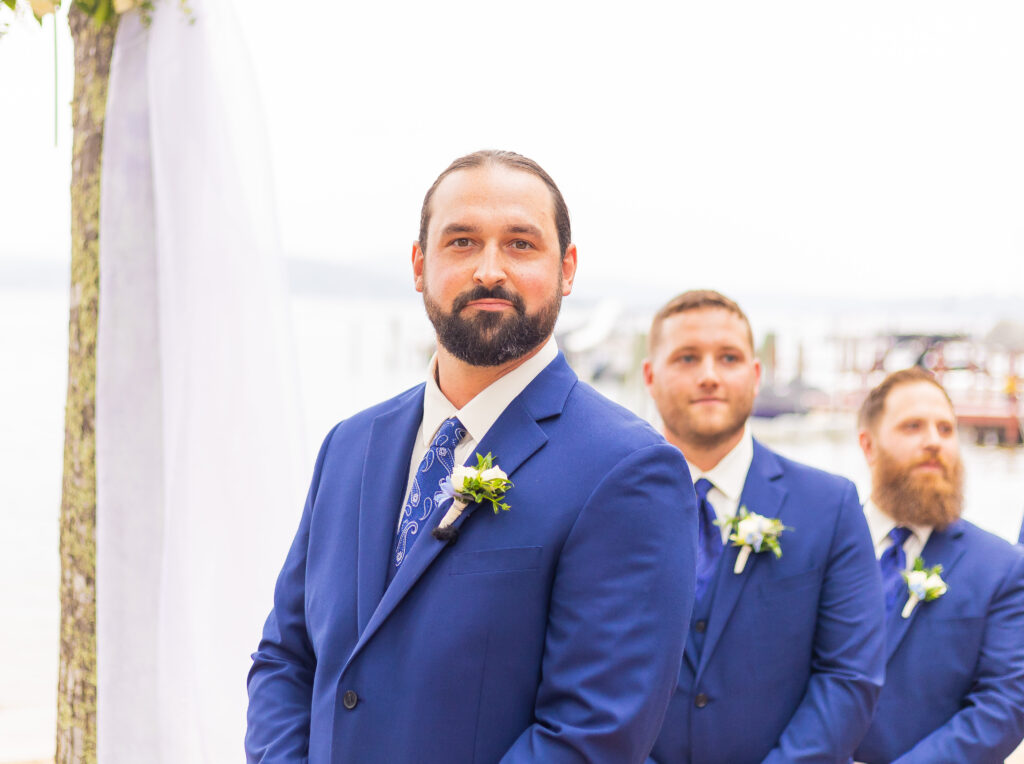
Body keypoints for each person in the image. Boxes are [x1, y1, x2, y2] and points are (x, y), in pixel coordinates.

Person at [245, 150, 698, 763]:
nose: (490, 270)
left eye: (520, 244)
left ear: (566, 268)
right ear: (418, 264)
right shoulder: (349, 445)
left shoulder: (629, 469)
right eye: (461, 242)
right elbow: (286, 657)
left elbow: (592, 734)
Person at [642, 290, 885, 763]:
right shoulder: (605, 501)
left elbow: (848, 675)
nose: (709, 375)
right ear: (650, 376)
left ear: (755, 376)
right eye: (687, 358)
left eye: (728, 358)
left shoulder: (831, 506)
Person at [853, 368, 1024, 764]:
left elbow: (1003, 705)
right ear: (868, 445)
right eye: (912, 426)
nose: (934, 442)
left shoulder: (1003, 569)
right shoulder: (822, 548)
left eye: (946, 430)